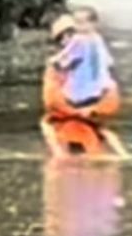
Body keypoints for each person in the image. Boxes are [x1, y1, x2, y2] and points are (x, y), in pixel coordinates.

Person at [41, 10, 127, 158]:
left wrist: (85, 110)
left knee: (46, 125)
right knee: (104, 129)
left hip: (82, 111)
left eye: (69, 35)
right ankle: (123, 156)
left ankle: (59, 156)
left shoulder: (63, 65)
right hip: (83, 111)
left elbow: (51, 99)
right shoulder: (94, 51)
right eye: (61, 38)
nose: (66, 40)